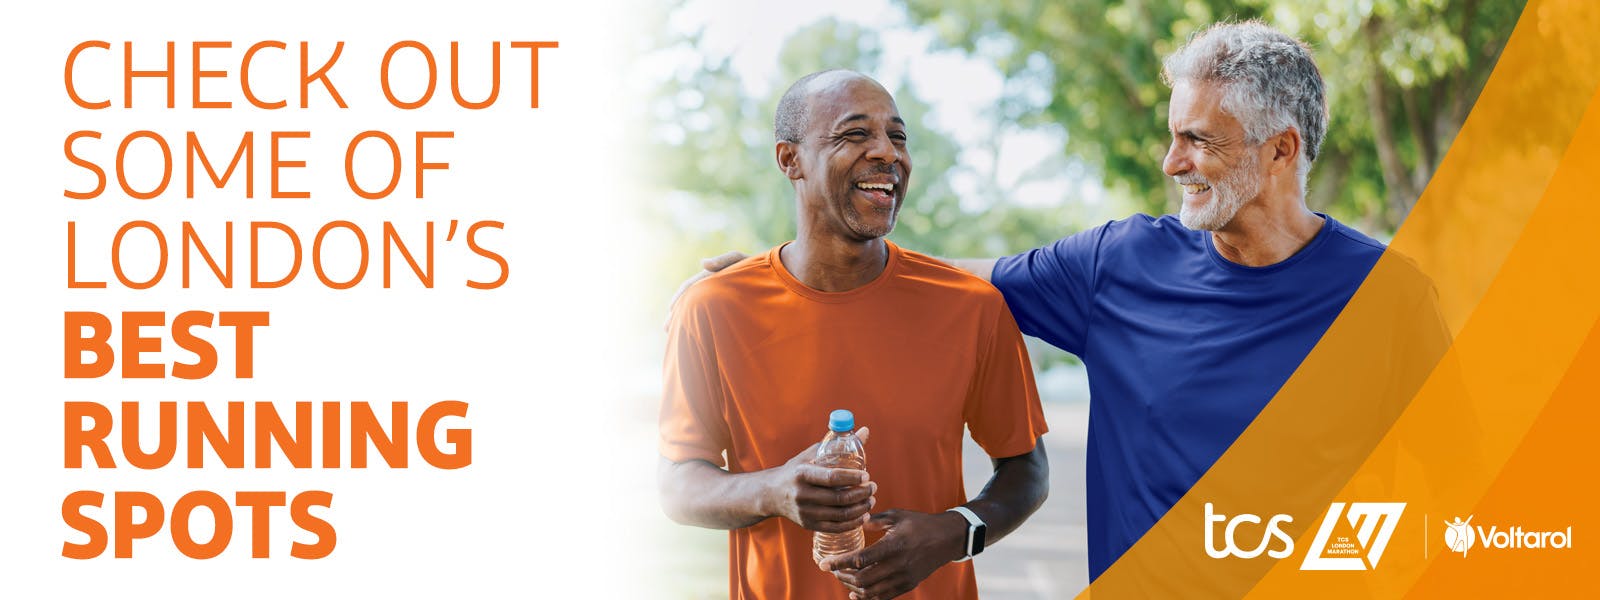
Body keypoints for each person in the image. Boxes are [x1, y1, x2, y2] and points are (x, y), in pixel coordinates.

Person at [686, 21, 1457, 585]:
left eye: (1197, 140)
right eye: (1170, 136)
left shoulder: (1389, 299)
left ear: (1282, 149)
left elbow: (1464, 482)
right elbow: (953, 280)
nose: (1170, 161)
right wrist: (767, 269)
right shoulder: (1121, 264)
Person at [658, 69, 1050, 600]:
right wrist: (772, 491)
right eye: (855, 134)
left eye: (898, 137)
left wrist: (954, 533)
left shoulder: (973, 308)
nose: (888, 153)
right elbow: (679, 484)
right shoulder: (712, 308)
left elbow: (1026, 469)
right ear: (789, 159)